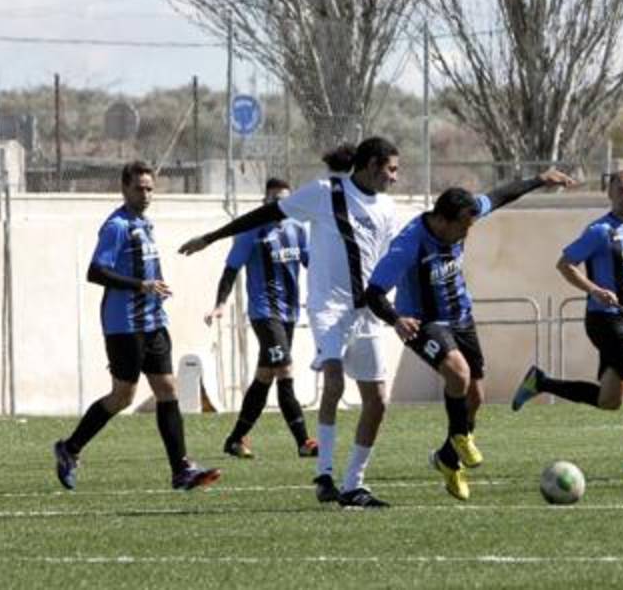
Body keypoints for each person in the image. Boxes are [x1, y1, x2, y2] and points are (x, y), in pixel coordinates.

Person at [180, 137, 403, 509]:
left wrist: (396, 309)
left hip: (366, 312)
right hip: (329, 308)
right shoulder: (324, 192)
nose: (396, 178)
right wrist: (210, 237)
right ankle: (325, 474)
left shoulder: (388, 208)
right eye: (391, 169)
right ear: (370, 165)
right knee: (332, 380)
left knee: (377, 401)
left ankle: (354, 485)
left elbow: (388, 261)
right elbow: (266, 215)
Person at [363, 168, 576, 501]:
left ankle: (448, 460)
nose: (468, 231)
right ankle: (460, 435)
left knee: (475, 396)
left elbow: (502, 195)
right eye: (464, 226)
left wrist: (540, 179)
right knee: (457, 373)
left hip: (461, 317)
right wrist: (396, 320)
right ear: (444, 221)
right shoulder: (408, 245)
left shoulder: (465, 213)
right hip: (423, 322)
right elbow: (373, 292)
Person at [53, 161, 221, 492]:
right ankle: (69, 449)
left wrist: (155, 291)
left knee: (168, 390)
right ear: (124, 188)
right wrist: (140, 286)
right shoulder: (116, 226)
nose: (145, 194)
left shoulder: (145, 224)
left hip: (153, 321)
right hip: (124, 323)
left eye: (149, 188)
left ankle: (181, 470)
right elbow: (95, 272)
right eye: (138, 188)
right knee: (122, 397)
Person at [510, 171, 623, 477]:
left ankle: (540, 382)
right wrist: (594, 290)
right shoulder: (600, 231)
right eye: (621, 190)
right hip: (606, 321)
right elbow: (565, 264)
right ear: (609, 194)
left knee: (609, 400)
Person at [206, 177, 314, 459]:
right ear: (265, 202)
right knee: (285, 371)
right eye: (274, 200)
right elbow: (231, 270)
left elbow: (312, 263)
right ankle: (304, 442)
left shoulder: (298, 228)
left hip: (290, 312)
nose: (280, 206)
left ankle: (235, 439)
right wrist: (219, 304)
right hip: (264, 314)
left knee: (264, 376)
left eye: (285, 201)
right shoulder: (250, 231)